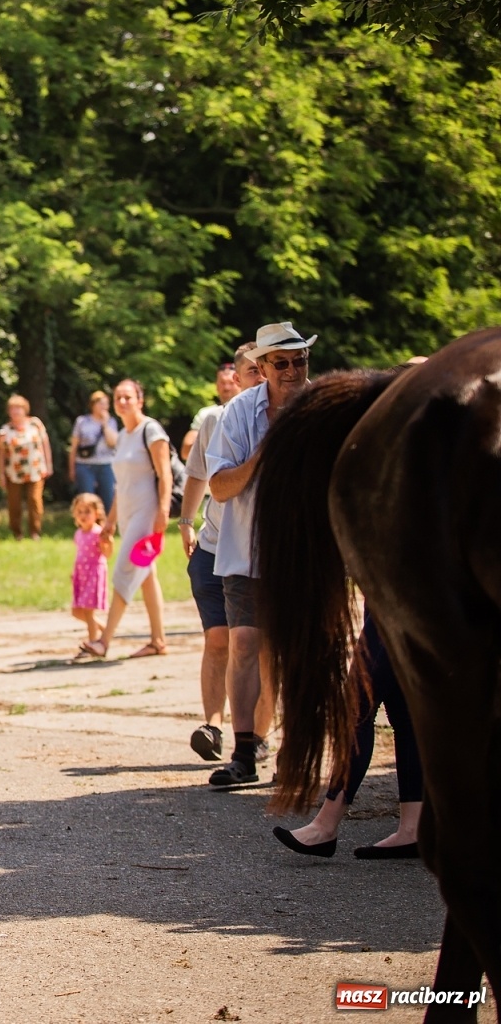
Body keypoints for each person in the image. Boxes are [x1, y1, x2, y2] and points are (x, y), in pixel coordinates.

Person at [203, 321, 317, 787]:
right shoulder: (238, 412)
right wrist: (265, 455)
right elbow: (220, 486)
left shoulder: (321, 406)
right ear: (262, 367)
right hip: (246, 549)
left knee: (297, 653)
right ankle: (244, 753)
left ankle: (298, 753)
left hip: (307, 554)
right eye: (282, 363)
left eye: (299, 361)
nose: (293, 371)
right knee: (245, 643)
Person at [273, 610, 424, 859]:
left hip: (399, 597)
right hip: (390, 598)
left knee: (357, 705)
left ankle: (325, 825)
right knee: (403, 714)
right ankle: (412, 828)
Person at [180, 344, 264, 761]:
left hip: (257, 552)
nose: (252, 377)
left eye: (256, 370)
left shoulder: (277, 417)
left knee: (258, 646)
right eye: (248, 370)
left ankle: (257, 736)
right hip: (213, 547)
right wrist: (185, 522)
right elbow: (198, 477)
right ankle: (212, 726)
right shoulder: (215, 419)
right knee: (218, 640)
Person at [80, 379, 172, 660]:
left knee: (125, 571)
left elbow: (164, 474)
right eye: (118, 397)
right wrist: (109, 521)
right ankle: (158, 641)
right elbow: (120, 485)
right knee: (146, 576)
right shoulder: (121, 436)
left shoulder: (151, 430)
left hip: (147, 513)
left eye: (128, 397)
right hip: (128, 515)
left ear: (139, 401)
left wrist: (163, 512)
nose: (122, 402)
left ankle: (104, 641)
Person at [0, 394, 52, 539]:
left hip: (35, 469)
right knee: (14, 504)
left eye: (18, 408)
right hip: (14, 472)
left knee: (35, 500)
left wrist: (48, 464)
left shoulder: (35, 424)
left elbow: (45, 444)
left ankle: (35, 531)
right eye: (13, 409)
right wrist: (1, 474)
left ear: (25, 409)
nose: (16, 412)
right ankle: (17, 532)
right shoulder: (5, 430)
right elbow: (1, 454)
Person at [69, 493, 112, 649]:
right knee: (77, 611)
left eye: (87, 512)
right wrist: (74, 574)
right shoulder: (78, 533)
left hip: (94, 573)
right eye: (79, 512)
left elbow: (106, 554)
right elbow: (79, 554)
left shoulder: (98, 532)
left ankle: (93, 641)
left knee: (88, 610)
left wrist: (109, 543)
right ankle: (105, 629)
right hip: (81, 574)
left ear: (96, 513)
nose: (83, 516)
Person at [68, 390, 119, 512]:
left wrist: (105, 424)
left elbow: (113, 443)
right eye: (100, 403)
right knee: (87, 498)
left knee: (108, 496)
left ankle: (105, 525)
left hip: (106, 464)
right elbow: (74, 446)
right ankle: (87, 525)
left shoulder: (112, 422)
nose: (103, 407)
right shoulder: (82, 421)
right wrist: (71, 468)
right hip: (85, 464)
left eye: (106, 404)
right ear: (93, 405)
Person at [181, 361, 243, 460]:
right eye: (222, 383)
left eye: (231, 383)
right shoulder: (206, 414)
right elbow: (186, 451)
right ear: (216, 385)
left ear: (240, 383)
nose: (226, 388)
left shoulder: (250, 412)